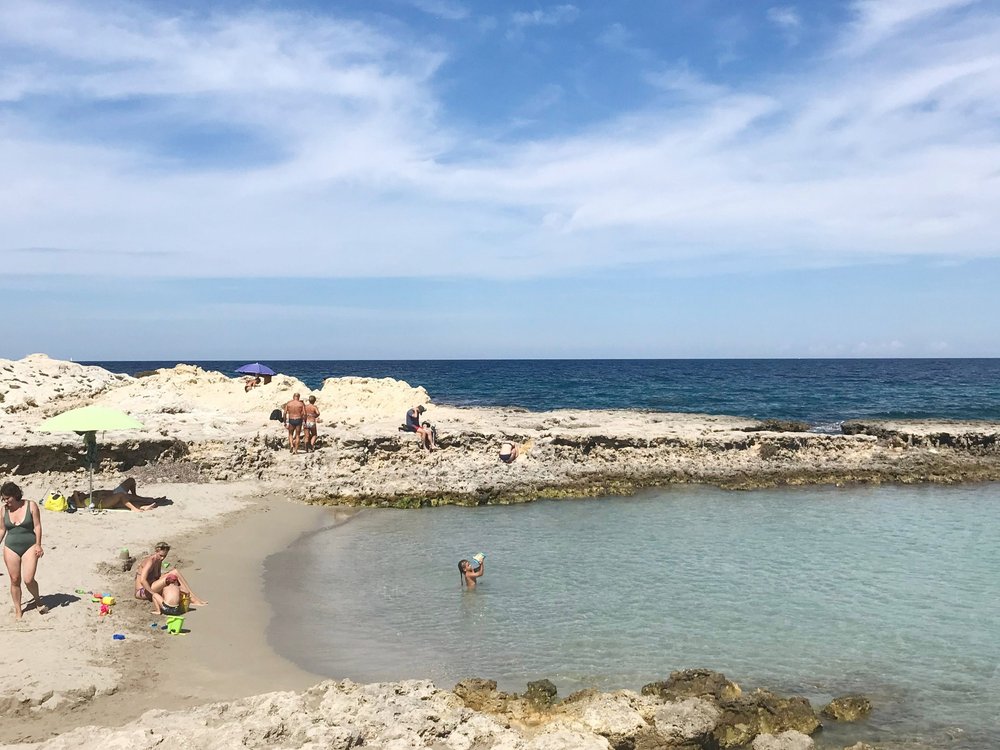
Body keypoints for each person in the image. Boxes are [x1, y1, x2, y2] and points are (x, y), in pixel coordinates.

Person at [1, 481, 47, 620]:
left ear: (15, 495)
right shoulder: (3, 510)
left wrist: (38, 544)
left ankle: (37, 599)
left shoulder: (30, 505)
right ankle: (18, 610)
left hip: (30, 545)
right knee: (14, 579)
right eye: (3, 499)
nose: (5, 501)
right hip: (11, 547)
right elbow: (2, 529)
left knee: (28, 579)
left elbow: (37, 526)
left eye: (7, 498)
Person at [134, 542, 206, 615]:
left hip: (151, 586)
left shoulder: (158, 560)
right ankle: (192, 599)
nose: (162, 558)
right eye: (161, 555)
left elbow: (156, 577)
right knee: (172, 574)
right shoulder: (150, 561)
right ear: (156, 551)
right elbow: (143, 580)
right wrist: (153, 593)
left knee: (175, 572)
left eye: (165, 556)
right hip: (142, 591)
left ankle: (192, 597)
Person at [68, 477, 165, 512]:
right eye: (80, 494)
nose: (82, 493)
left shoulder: (91, 494)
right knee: (121, 496)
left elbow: (106, 491)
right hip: (104, 503)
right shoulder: (82, 503)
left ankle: (143, 503)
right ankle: (135, 508)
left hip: (111, 495)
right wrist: (75, 495)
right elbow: (79, 505)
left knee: (131, 481)